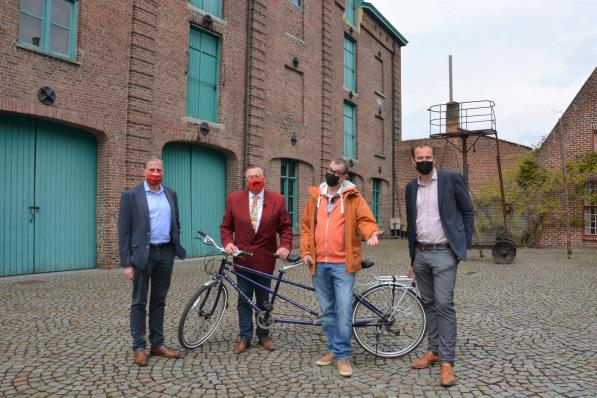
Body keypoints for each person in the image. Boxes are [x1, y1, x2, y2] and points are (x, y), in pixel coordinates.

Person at [300, 158, 380, 377]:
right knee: (327, 311)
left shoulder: (353, 197)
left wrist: (371, 232)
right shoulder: (316, 197)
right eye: (329, 170)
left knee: (344, 309)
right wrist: (306, 252)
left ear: (344, 176)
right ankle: (334, 350)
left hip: (343, 265)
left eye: (336, 172)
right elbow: (307, 227)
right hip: (319, 264)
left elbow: (365, 220)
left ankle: (343, 355)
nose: (331, 174)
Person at [405, 144, 474, 386]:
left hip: (445, 252)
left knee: (444, 304)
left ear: (433, 159)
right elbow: (412, 224)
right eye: (420, 158)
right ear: (413, 161)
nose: (425, 161)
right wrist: (412, 258)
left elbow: (467, 212)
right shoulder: (410, 187)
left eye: (428, 157)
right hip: (421, 254)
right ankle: (433, 351)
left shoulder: (451, 179)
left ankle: (447, 362)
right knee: (429, 304)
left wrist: (461, 247)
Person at [118, 158, 187, 366]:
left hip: (165, 254)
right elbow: (124, 231)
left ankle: (157, 344)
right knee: (139, 301)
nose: (156, 173)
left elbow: (176, 223)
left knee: (159, 300)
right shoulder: (131, 195)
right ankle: (138, 347)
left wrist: (175, 243)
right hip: (142, 256)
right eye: (152, 169)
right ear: (144, 171)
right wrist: (126, 263)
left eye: (159, 170)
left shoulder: (170, 194)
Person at [220, 165, 293, 354]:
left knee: (263, 300)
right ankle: (245, 337)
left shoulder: (277, 200)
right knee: (243, 300)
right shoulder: (235, 199)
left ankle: (263, 335)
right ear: (246, 180)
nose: (255, 179)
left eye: (258, 176)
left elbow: (285, 228)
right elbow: (226, 227)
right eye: (251, 177)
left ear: (264, 178)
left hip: (265, 259)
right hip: (242, 259)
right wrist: (228, 242)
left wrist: (285, 246)